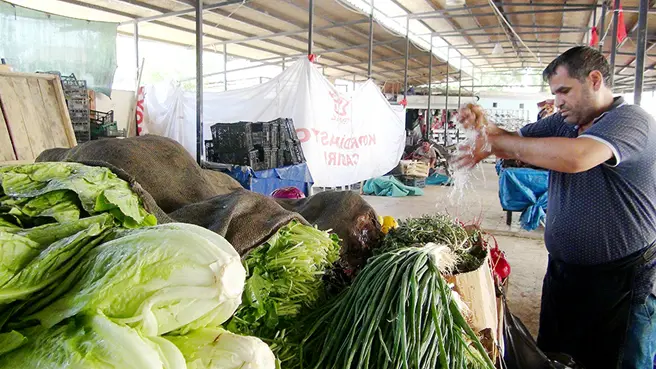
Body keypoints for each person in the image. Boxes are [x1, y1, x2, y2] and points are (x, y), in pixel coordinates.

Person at [454, 46, 656, 369]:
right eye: (554, 93)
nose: (557, 101)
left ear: (594, 80)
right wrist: (483, 127)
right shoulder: (565, 123)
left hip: (621, 284)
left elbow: (577, 158)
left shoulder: (632, 121)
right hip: (564, 275)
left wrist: (495, 143)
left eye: (564, 91)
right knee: (555, 358)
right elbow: (510, 139)